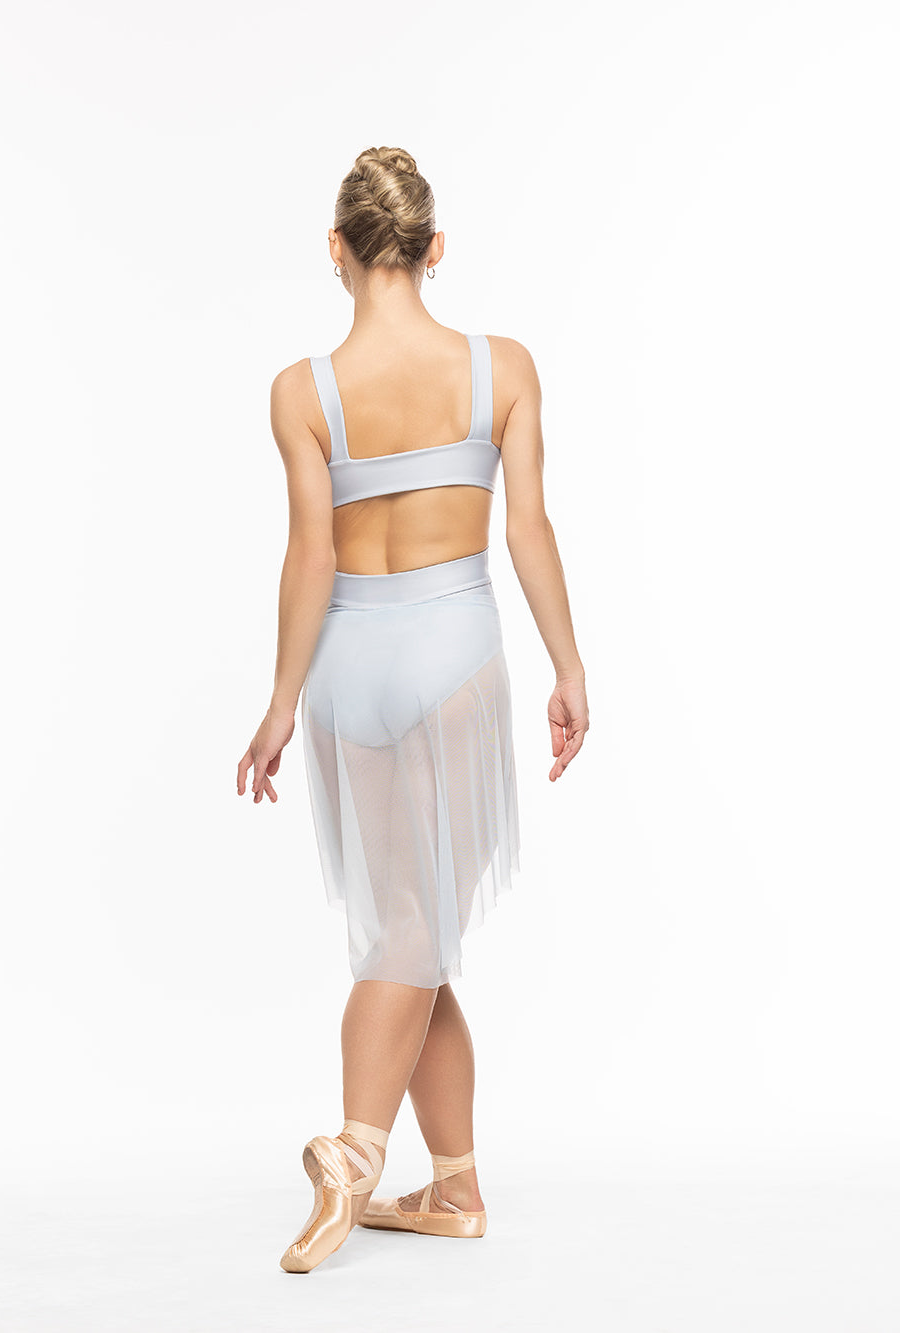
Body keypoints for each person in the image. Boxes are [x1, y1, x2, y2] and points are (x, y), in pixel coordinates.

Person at [237, 146, 589, 1273]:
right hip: (453, 655)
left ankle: (444, 1181)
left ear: (335, 251)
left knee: (408, 923)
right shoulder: (503, 368)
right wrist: (568, 667)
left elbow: (310, 554)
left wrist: (279, 701)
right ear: (436, 247)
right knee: (413, 931)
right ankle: (365, 1152)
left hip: (347, 659)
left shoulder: (302, 391)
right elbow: (526, 529)